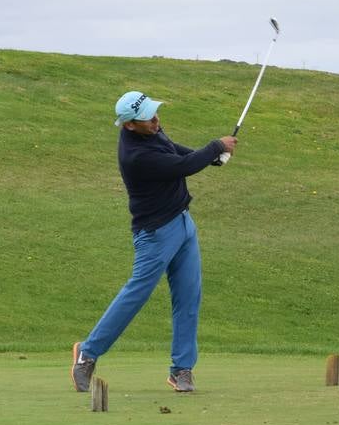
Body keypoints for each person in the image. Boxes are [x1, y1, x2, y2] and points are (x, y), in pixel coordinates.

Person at [71, 90, 237, 393]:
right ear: (130, 125)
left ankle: (182, 370)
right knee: (135, 295)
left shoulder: (152, 132)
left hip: (183, 225)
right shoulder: (137, 156)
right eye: (148, 118)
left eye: (155, 112)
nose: (156, 119)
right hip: (156, 234)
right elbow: (180, 167)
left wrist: (212, 158)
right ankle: (87, 353)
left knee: (188, 298)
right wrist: (215, 146)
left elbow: (174, 151)